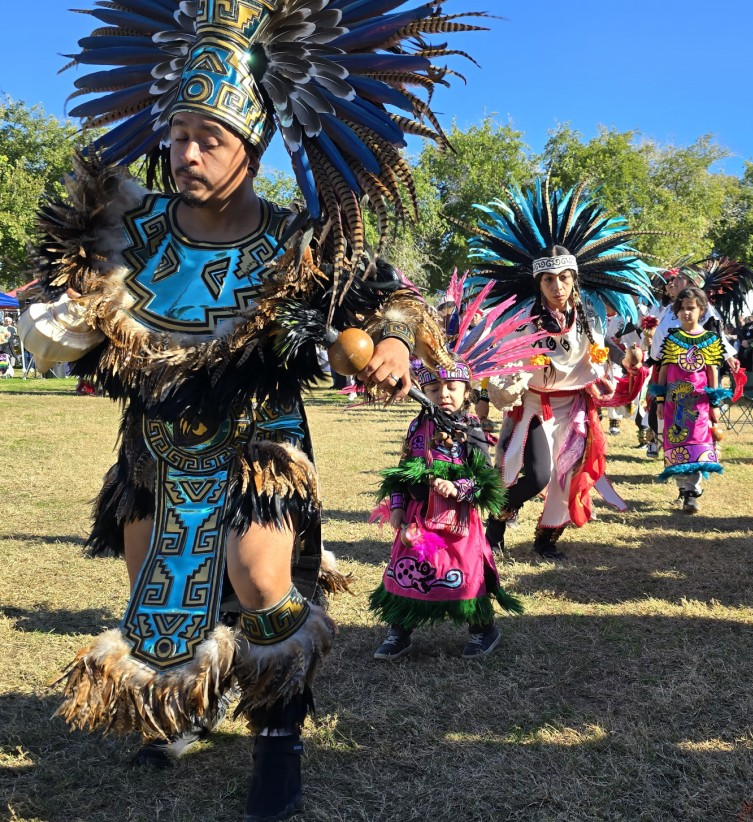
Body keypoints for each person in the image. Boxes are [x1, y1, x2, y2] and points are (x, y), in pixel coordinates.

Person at [18, 2, 485, 820]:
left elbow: (391, 305)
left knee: (258, 576)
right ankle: (183, 707)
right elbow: (58, 310)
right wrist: (62, 316)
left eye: (211, 139)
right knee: (156, 596)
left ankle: (278, 740)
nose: (187, 152)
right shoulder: (129, 225)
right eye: (179, 133)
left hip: (261, 437)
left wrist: (394, 347)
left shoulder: (300, 238)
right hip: (153, 442)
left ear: (252, 148)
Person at [462, 179, 656, 560]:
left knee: (566, 477)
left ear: (574, 280)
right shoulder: (523, 324)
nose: (557, 286)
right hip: (536, 407)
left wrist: (620, 366)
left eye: (563, 278)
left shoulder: (587, 322)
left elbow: (598, 362)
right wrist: (511, 377)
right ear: (538, 283)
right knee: (534, 475)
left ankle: (545, 539)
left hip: (575, 409)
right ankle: (495, 523)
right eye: (548, 280)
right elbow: (501, 366)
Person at [369, 357, 522, 659]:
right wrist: (397, 505)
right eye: (435, 388)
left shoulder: (472, 428)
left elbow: (486, 480)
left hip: (459, 521)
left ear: (467, 392)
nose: (444, 394)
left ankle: (482, 629)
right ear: (422, 390)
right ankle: (399, 630)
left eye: (453, 387)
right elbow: (402, 470)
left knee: (464, 574)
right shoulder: (417, 425)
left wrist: (458, 487)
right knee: (407, 570)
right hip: (416, 518)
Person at [652, 287, 729, 514]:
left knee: (697, 445)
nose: (686, 313)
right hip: (674, 404)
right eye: (682, 309)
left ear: (701, 310)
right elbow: (663, 371)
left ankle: (693, 492)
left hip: (699, 405)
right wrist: (659, 400)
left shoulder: (709, 339)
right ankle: (683, 489)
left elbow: (712, 372)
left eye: (691, 308)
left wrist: (714, 404)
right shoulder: (672, 339)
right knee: (676, 445)